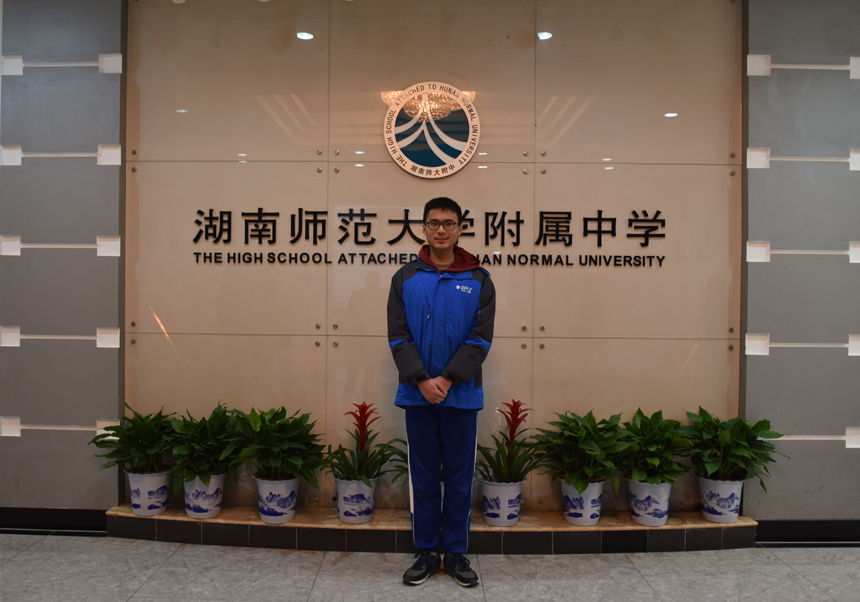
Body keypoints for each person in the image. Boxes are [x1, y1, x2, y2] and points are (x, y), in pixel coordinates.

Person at [387, 197, 496, 588]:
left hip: (461, 396)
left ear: (460, 228)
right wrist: (421, 380)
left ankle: (455, 552)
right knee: (424, 476)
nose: (441, 230)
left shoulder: (479, 279)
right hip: (418, 395)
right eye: (434, 223)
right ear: (423, 228)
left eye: (449, 223)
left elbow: (481, 340)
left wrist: (447, 379)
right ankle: (427, 552)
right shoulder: (405, 278)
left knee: (461, 478)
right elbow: (398, 337)